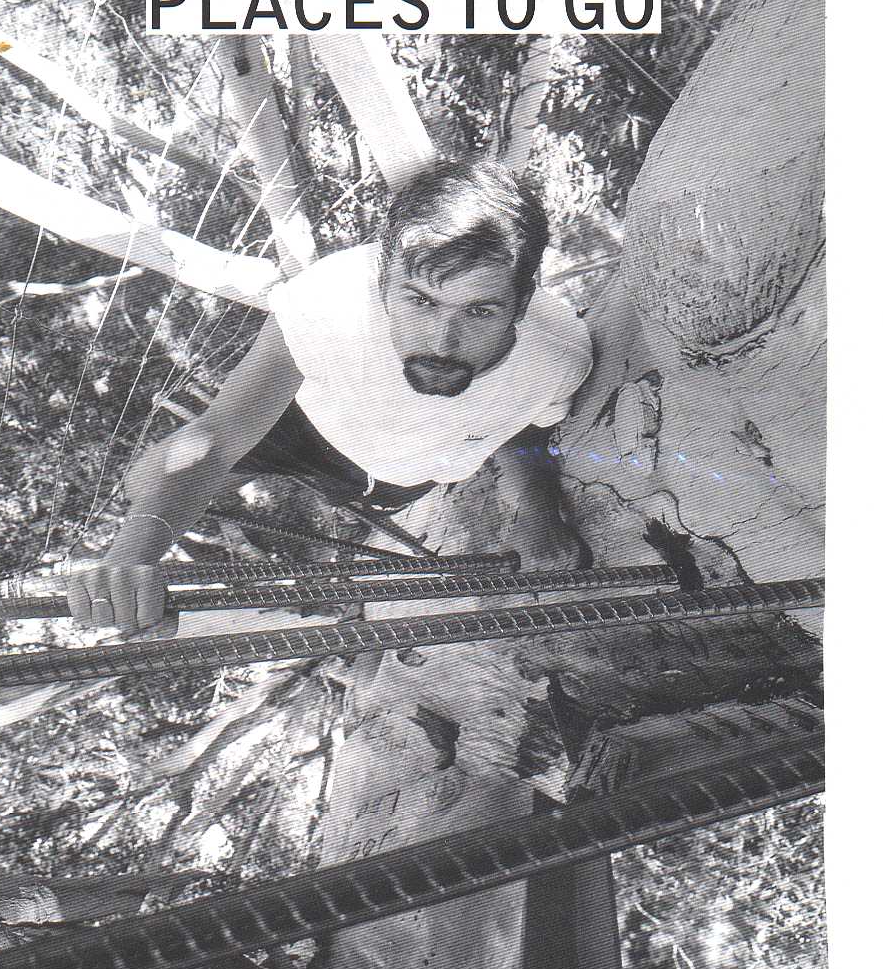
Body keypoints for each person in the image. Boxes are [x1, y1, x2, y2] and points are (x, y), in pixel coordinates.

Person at [68, 160, 594, 631]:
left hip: (395, 474)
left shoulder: (558, 358)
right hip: (299, 419)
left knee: (338, 504)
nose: (443, 342)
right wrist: (132, 557)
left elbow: (526, 426)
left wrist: (536, 508)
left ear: (523, 303)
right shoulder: (331, 300)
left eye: (480, 311)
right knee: (144, 485)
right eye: (419, 301)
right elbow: (220, 437)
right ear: (380, 281)